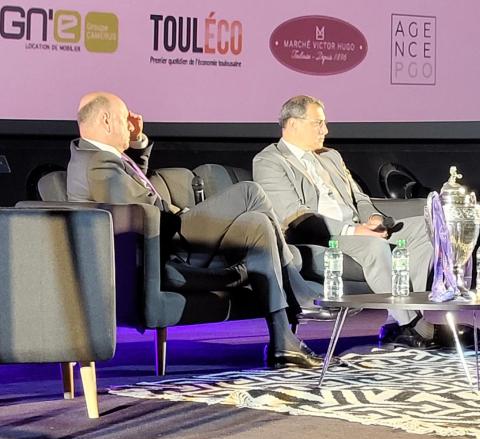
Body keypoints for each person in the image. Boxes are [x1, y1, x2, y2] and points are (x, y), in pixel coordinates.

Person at [67, 91, 325, 369]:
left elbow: (135, 188)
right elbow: (135, 214)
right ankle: (296, 285)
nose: (129, 126)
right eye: (123, 120)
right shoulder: (98, 162)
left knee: (257, 225)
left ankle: (282, 342)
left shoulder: (97, 157)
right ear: (106, 121)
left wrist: (138, 142)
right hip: (169, 242)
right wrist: (182, 213)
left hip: (167, 234)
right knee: (250, 192)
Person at [253, 94, 454, 348]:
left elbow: (360, 197)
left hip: (358, 229)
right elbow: (296, 217)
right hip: (323, 238)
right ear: (293, 124)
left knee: (430, 227)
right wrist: (355, 230)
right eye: (318, 123)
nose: (325, 130)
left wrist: (373, 218)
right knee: (373, 246)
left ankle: (398, 319)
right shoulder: (269, 161)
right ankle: (412, 326)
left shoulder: (331, 156)